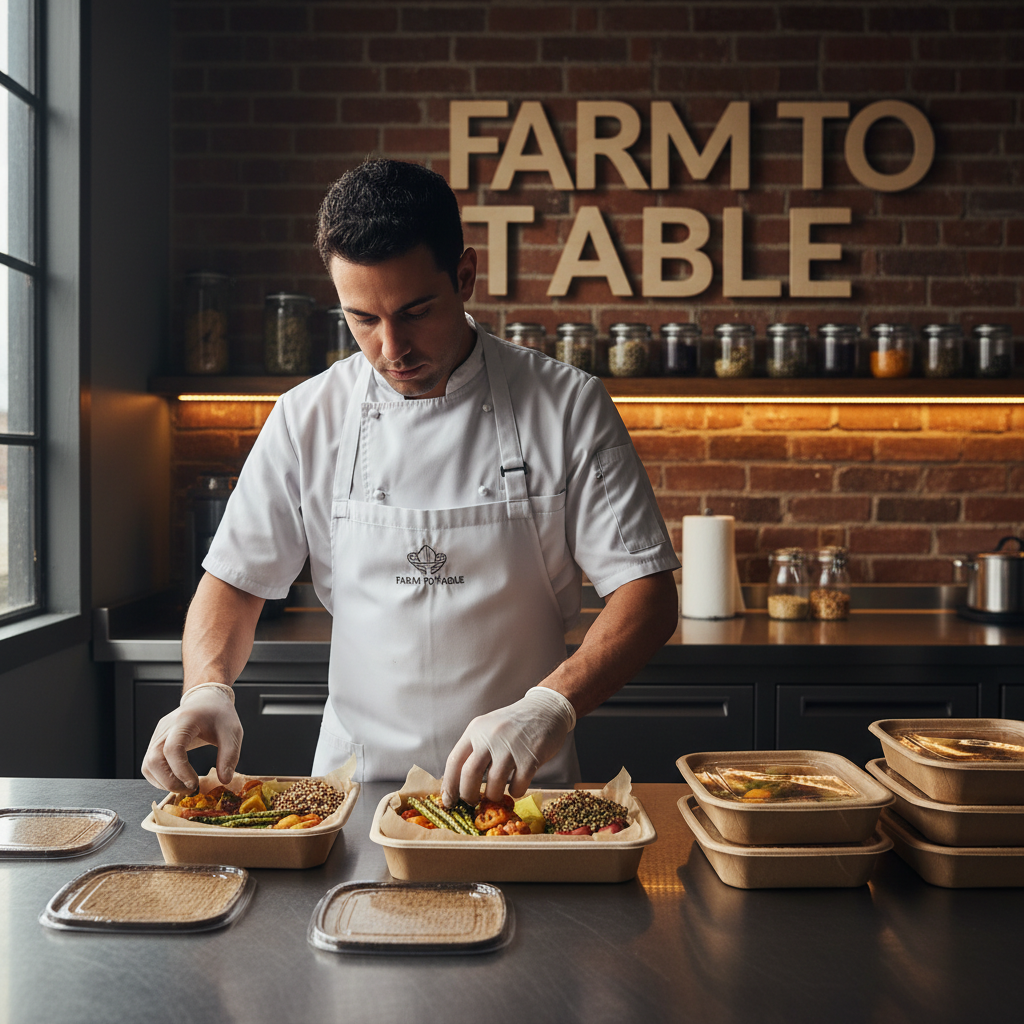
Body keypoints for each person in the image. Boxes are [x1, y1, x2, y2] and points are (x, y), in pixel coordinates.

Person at [142, 159, 679, 806]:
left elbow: (646, 595)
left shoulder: (566, 405)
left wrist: (549, 706)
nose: (392, 347)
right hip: (352, 798)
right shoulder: (307, 416)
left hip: (521, 798)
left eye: (415, 311)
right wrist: (207, 688)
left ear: (466, 276)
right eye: (362, 319)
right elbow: (232, 582)